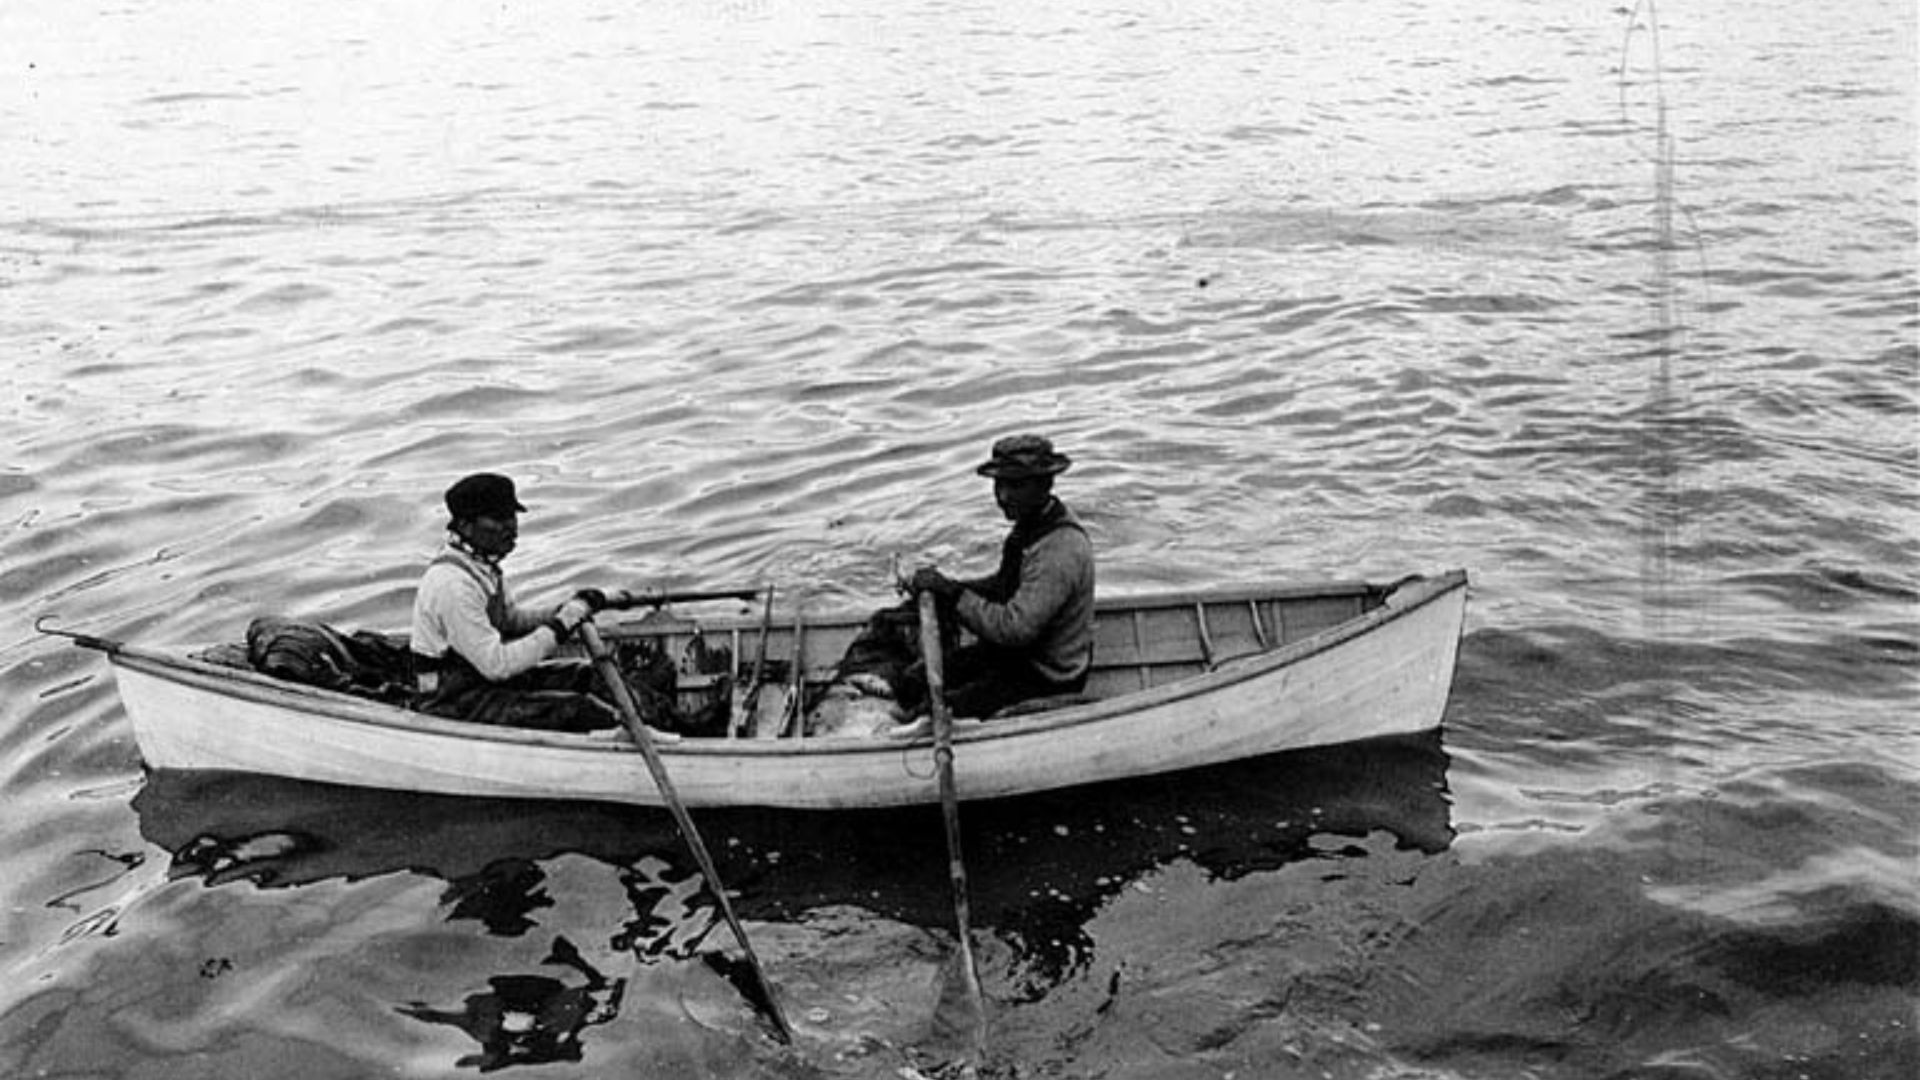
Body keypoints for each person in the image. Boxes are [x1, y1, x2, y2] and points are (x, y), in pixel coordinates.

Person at [410, 472, 619, 733]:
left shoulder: (481, 565)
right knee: (577, 709)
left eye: (512, 515)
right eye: (498, 518)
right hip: (452, 700)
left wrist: (563, 610)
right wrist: (561, 626)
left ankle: (658, 725)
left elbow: (510, 621)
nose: (511, 526)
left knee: (589, 676)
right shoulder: (453, 584)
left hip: (480, 682)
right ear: (465, 526)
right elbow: (497, 665)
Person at [909, 434, 1096, 718]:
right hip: (1018, 658)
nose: (1003, 496)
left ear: (1045, 484)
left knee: (934, 711)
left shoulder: (1059, 550)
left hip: (1046, 676)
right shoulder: (1031, 524)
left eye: (1017, 485)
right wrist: (947, 588)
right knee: (915, 679)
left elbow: (1014, 630)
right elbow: (1003, 586)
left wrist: (954, 595)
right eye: (1000, 484)